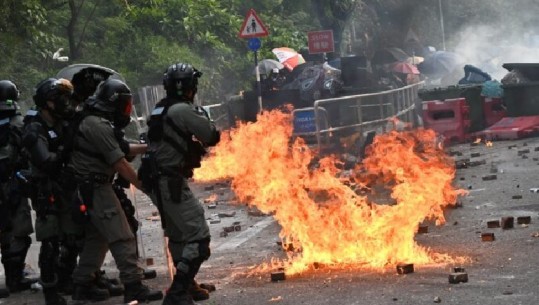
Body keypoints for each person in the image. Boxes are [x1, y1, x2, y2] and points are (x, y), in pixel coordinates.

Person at [68, 78, 163, 303]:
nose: (126, 110)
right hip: (97, 188)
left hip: (89, 187)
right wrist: (144, 186)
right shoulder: (97, 125)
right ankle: (133, 286)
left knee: (97, 239)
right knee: (123, 237)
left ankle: (82, 285)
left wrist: (150, 148)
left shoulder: (94, 121)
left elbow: (122, 147)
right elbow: (120, 162)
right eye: (125, 105)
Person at [141, 63, 220, 305]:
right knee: (198, 236)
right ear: (190, 87)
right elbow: (212, 136)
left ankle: (188, 285)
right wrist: (203, 115)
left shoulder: (160, 109)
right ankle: (177, 292)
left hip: (156, 178)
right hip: (170, 180)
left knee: (177, 234)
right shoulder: (182, 111)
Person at [22, 78, 82, 305]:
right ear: (48, 103)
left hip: (65, 189)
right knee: (50, 241)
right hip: (46, 191)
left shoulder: (60, 123)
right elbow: (47, 163)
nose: (66, 104)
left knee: (72, 237)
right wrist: (68, 146)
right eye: (61, 100)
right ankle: (50, 291)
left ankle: (66, 279)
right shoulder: (35, 128)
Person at [0, 80, 35, 298]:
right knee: (19, 233)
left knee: (4, 231)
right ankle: (14, 278)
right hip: (12, 183)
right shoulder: (18, 123)